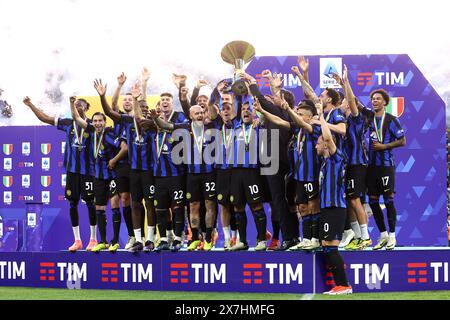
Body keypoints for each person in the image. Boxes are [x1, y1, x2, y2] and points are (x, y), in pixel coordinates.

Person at [23, 96, 97, 252]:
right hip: (72, 172)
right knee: (72, 204)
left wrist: (72, 104)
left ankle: (93, 238)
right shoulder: (67, 123)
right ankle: (77, 240)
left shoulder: (92, 125)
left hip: (87, 172)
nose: (77, 107)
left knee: (91, 203)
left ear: (87, 107)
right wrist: (30, 104)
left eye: (81, 105)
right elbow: (45, 118)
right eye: (75, 105)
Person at [96, 79, 156, 252]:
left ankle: (150, 240)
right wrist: (102, 96)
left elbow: (141, 115)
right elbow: (108, 110)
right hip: (133, 171)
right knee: (135, 203)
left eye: (143, 108)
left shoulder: (150, 124)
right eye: (139, 107)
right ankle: (138, 239)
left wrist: (138, 99)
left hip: (148, 171)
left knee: (149, 205)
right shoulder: (127, 122)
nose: (141, 111)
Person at [151, 105, 218, 251]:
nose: (200, 115)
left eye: (201, 112)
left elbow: (216, 113)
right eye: (196, 113)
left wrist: (212, 101)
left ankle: (207, 238)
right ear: (190, 115)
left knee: (209, 205)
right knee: (193, 206)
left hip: (209, 174)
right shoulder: (184, 128)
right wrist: (156, 118)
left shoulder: (211, 127)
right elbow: (166, 126)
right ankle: (194, 238)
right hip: (191, 174)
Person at [70, 97, 128, 252]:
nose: (97, 124)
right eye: (95, 121)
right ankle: (102, 241)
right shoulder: (89, 131)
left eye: (100, 121)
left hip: (112, 175)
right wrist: (71, 104)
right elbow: (76, 117)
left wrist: (114, 160)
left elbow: (124, 148)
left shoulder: (109, 134)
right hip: (98, 177)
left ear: (105, 122)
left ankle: (115, 241)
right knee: (99, 208)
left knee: (115, 205)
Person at [361, 88, 406, 250]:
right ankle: (383, 235)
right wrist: (343, 82)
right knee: (373, 201)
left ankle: (393, 235)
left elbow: (402, 140)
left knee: (388, 200)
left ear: (385, 102)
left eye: (378, 99)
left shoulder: (392, 120)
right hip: (371, 167)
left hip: (386, 166)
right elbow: (355, 103)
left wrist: (384, 146)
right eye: (373, 98)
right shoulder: (369, 117)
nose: (374, 101)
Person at [315, 102, 353, 295]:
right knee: (327, 246)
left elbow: (329, 139)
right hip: (328, 208)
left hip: (335, 207)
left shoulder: (337, 158)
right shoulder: (324, 163)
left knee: (331, 247)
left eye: (318, 142)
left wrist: (321, 117)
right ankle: (339, 285)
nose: (316, 145)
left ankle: (344, 285)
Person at [332, 66, 372, 250]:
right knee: (350, 200)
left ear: (349, 103)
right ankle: (357, 236)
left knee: (356, 200)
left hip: (358, 164)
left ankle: (366, 237)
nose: (341, 103)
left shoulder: (356, 119)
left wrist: (345, 82)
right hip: (348, 165)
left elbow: (352, 100)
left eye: (344, 101)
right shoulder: (343, 121)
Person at [150, 92, 189, 252]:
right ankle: (165, 239)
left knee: (178, 208)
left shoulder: (179, 118)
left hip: (177, 173)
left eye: (167, 99)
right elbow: (138, 119)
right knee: (160, 208)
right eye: (162, 100)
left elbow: (171, 127)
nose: (164, 102)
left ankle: (179, 239)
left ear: (172, 103)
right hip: (159, 175)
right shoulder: (152, 124)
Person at [110, 72, 136, 250]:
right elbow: (112, 104)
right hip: (121, 167)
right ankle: (131, 236)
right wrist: (119, 85)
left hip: (138, 166)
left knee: (140, 202)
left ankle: (140, 236)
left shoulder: (139, 119)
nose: (127, 102)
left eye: (130, 99)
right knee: (124, 199)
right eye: (124, 100)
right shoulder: (119, 119)